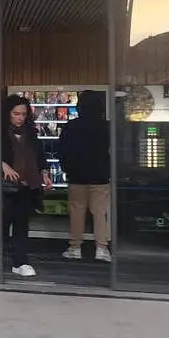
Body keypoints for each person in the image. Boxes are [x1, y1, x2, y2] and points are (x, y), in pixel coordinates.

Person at [0, 95, 52, 277]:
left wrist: (44, 172)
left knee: (21, 224)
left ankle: (20, 262)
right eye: (16, 114)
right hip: (6, 186)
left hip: (27, 184)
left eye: (23, 114)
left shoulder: (31, 133)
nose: (20, 118)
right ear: (7, 114)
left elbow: (40, 155)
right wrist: (1, 163)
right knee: (3, 223)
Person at [58, 90, 112, 262]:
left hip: (76, 176)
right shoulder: (107, 127)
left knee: (77, 211)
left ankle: (75, 247)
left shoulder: (70, 127)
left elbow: (62, 151)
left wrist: (67, 169)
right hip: (100, 175)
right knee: (99, 212)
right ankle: (101, 249)